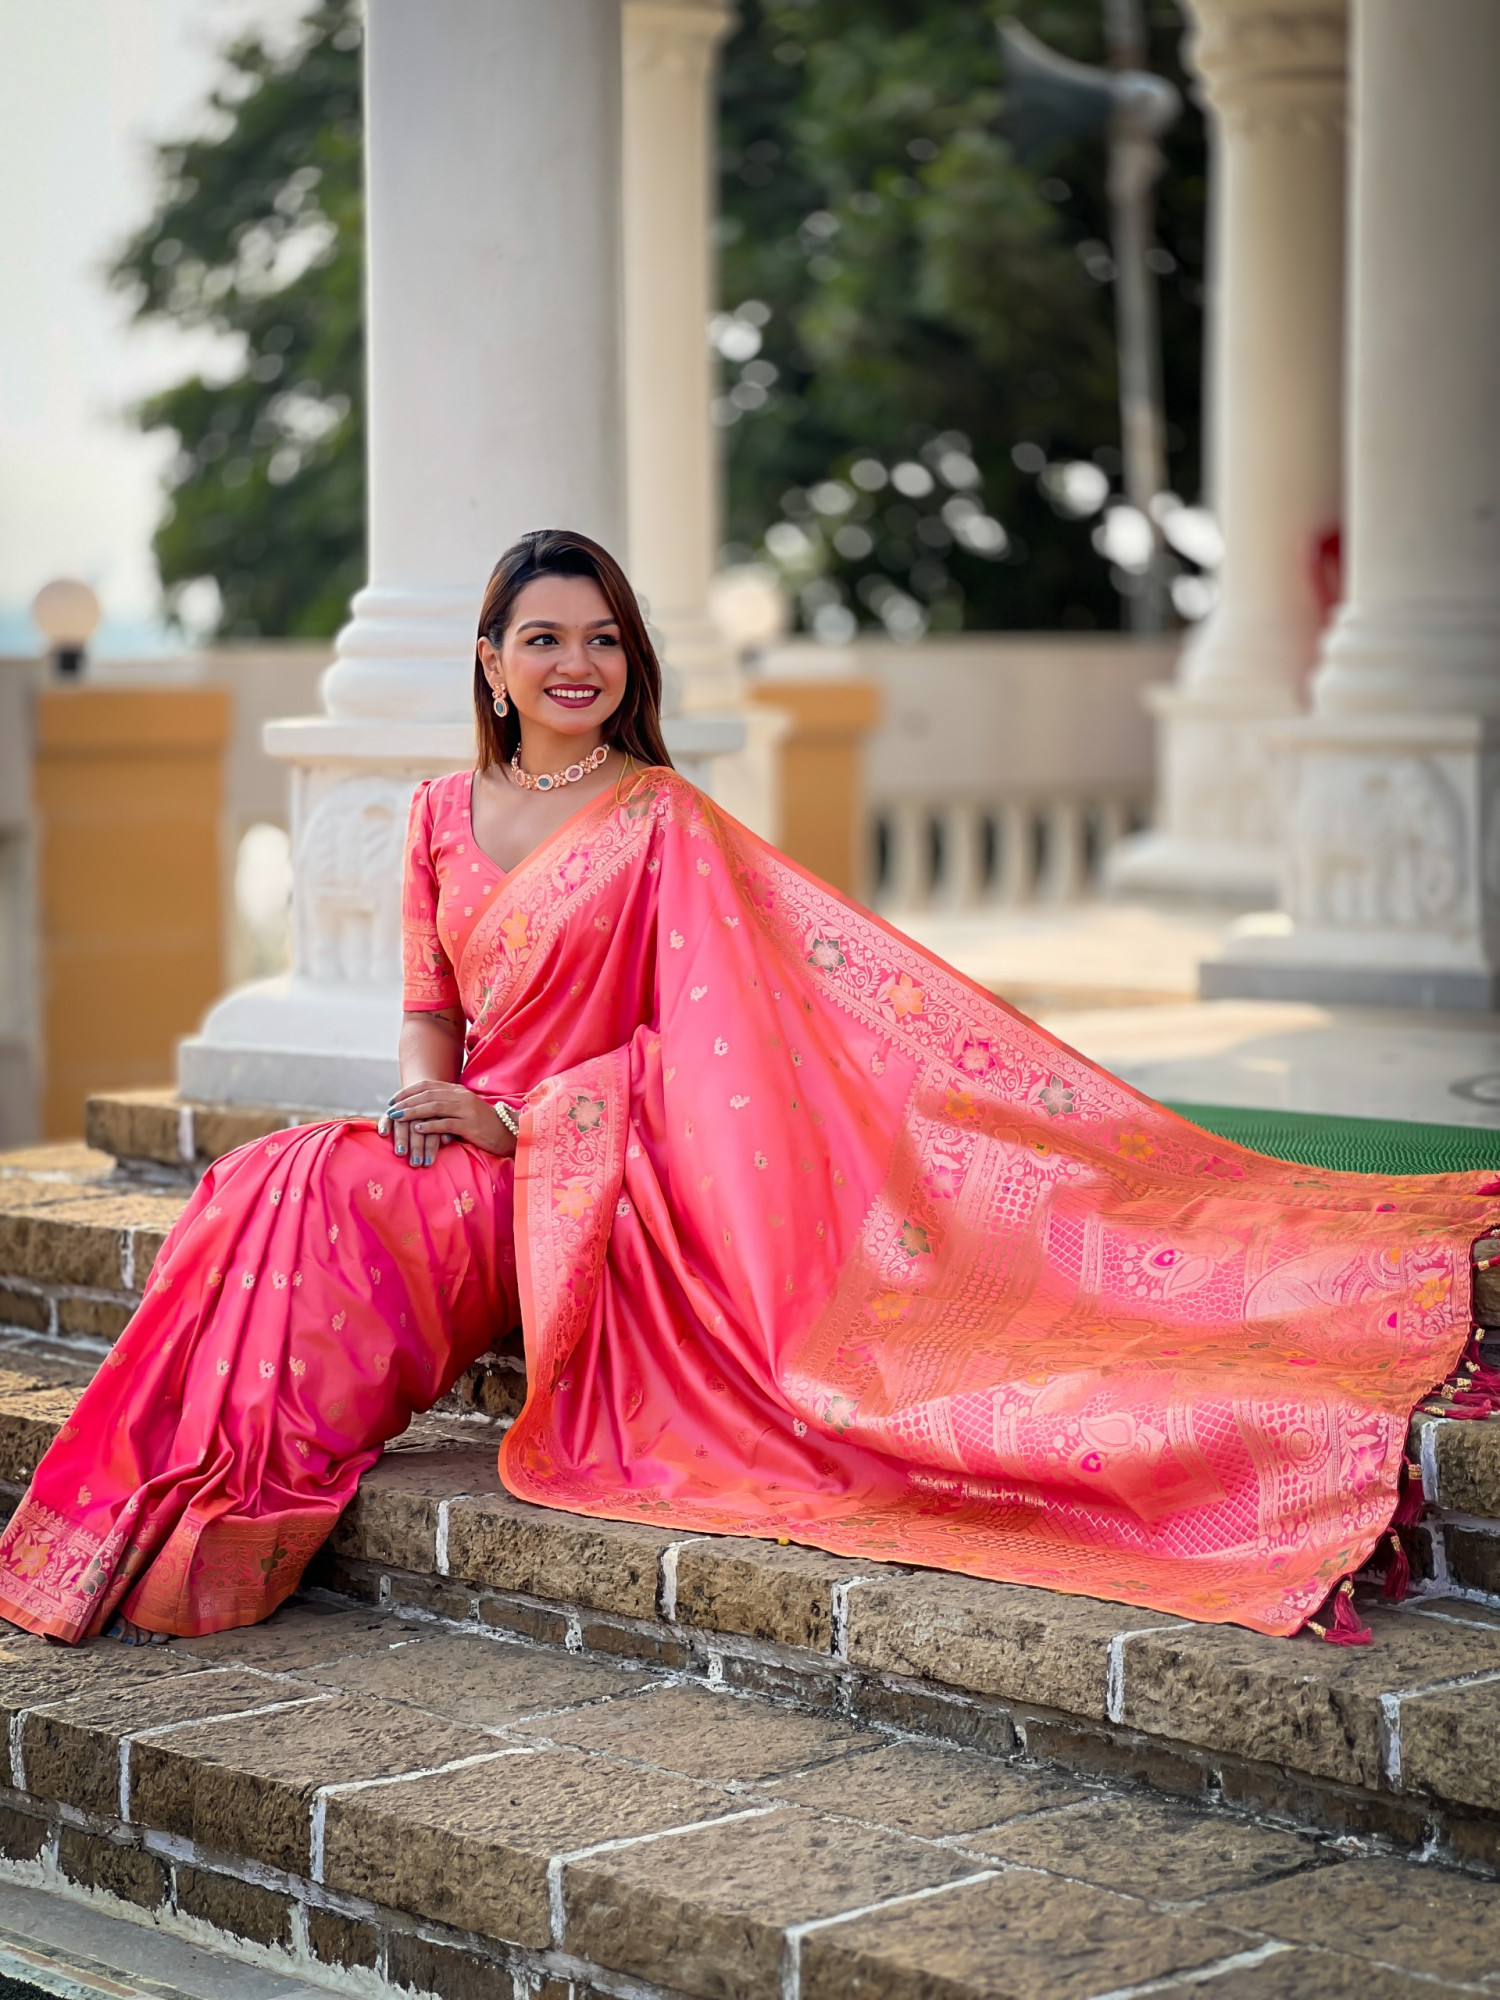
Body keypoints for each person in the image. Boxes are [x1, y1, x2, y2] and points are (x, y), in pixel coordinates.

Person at [0, 528, 1492, 1649]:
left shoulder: (662, 822)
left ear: (631, 663)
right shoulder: (439, 814)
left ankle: (230, 1508)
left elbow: (724, 1057)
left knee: (318, 1195)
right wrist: (421, 1099)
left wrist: (522, 1128)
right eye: (542, 639)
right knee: (272, 1178)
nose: (575, 664)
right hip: (461, 1144)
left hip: (586, 1182)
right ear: (489, 659)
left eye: (603, 641)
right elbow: (426, 1010)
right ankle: (180, 1498)